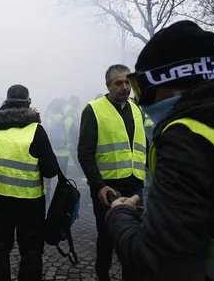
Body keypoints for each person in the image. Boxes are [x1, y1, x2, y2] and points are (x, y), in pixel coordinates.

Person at [106, 20, 214, 280]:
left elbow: (158, 262)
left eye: (139, 87)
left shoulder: (186, 137)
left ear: (164, 82)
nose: (137, 96)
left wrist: (120, 214)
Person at [0, 85, 58, 281]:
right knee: (30, 251)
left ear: (5, 104)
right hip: (30, 204)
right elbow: (51, 170)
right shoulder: (35, 130)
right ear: (29, 104)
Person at [77, 65, 146, 281]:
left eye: (127, 82)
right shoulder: (94, 109)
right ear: (108, 85)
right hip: (108, 187)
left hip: (135, 184)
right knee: (107, 236)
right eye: (119, 83)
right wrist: (98, 185)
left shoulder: (137, 109)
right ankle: (102, 273)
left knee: (136, 236)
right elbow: (84, 152)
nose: (125, 87)